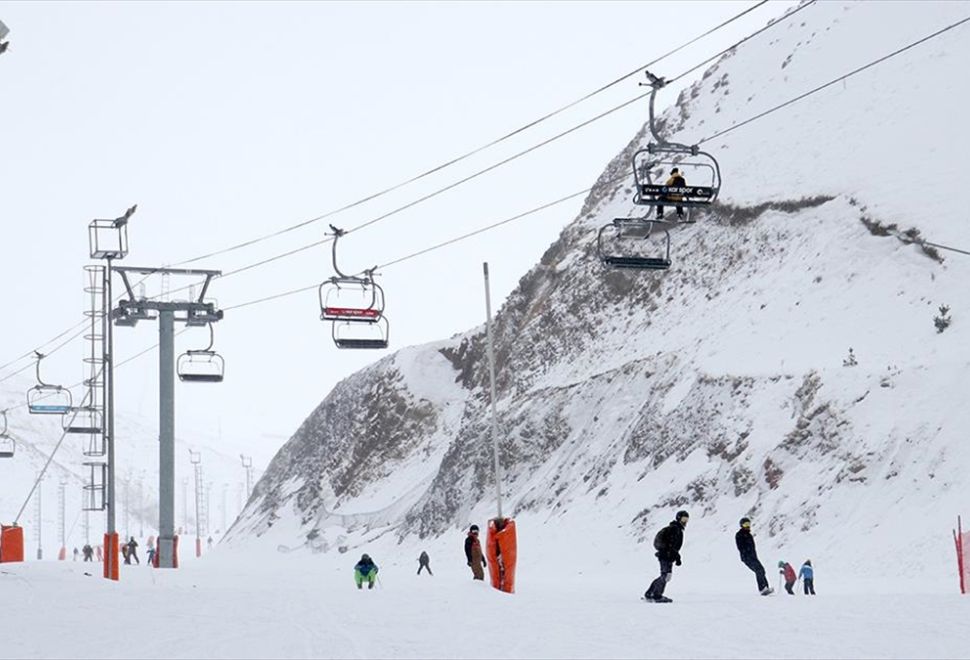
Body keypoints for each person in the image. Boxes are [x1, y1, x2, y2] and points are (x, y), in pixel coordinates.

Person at [644, 510, 689, 603]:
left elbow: (673, 547)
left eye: (687, 519)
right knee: (666, 576)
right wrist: (673, 555)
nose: (685, 521)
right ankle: (657, 595)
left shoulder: (676, 528)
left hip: (666, 555)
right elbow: (671, 545)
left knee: (665, 575)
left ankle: (650, 593)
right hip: (666, 555)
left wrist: (676, 557)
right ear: (678, 518)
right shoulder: (675, 529)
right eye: (684, 519)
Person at [736, 517, 772, 595]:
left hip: (753, 557)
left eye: (748, 524)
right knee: (758, 570)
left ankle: (766, 588)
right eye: (745, 524)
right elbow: (740, 547)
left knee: (761, 570)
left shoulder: (749, 535)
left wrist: (753, 555)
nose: (747, 526)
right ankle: (762, 589)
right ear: (741, 525)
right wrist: (746, 553)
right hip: (746, 557)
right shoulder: (739, 535)